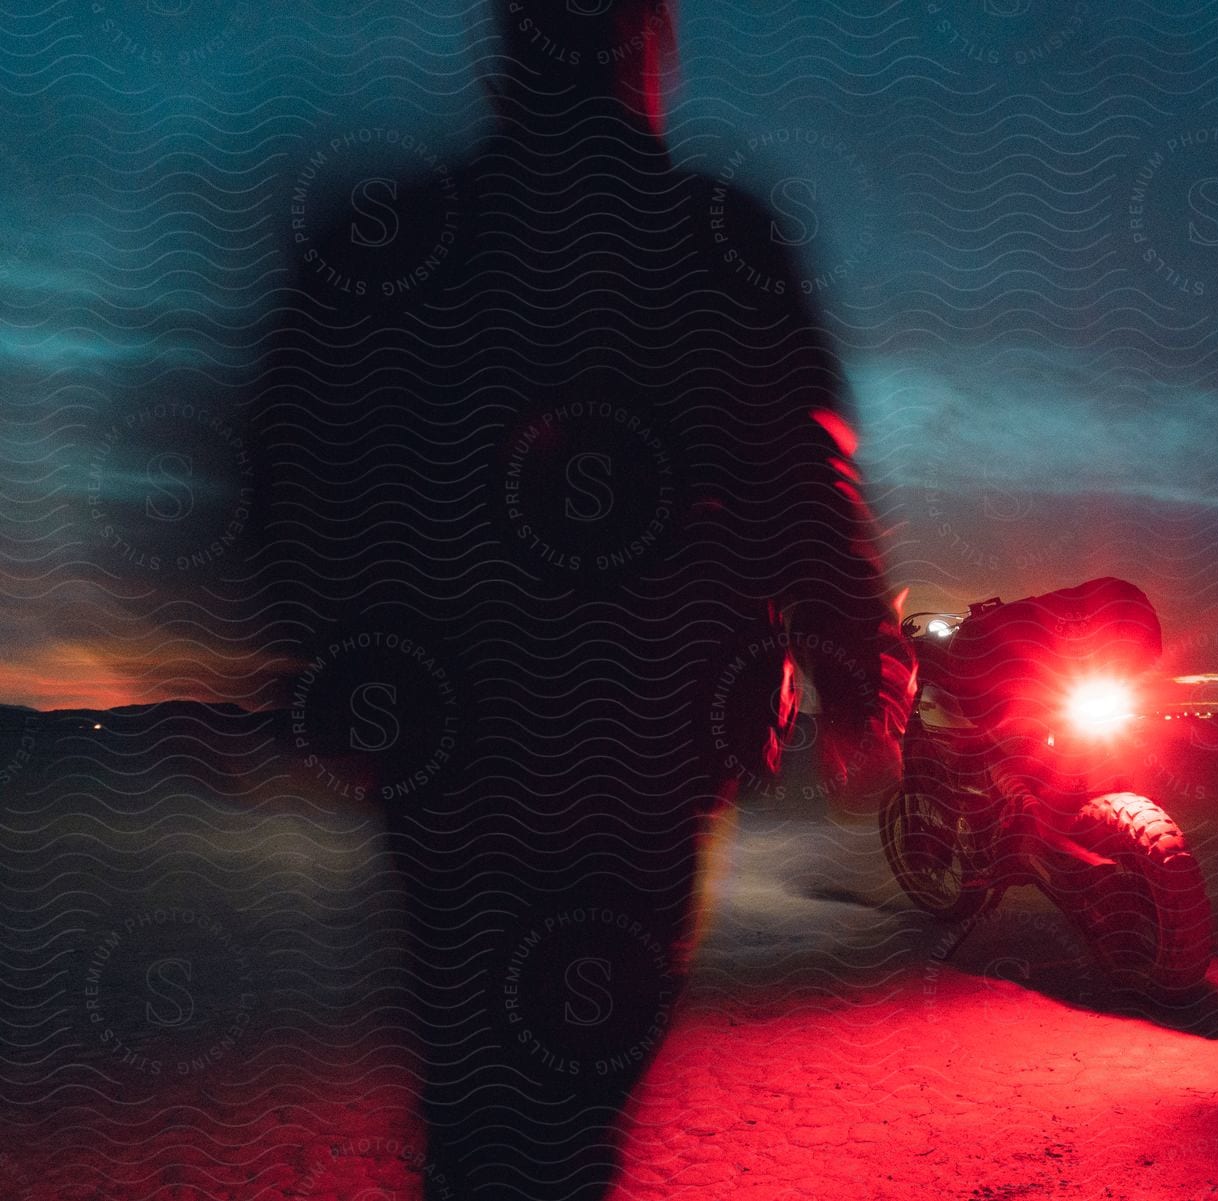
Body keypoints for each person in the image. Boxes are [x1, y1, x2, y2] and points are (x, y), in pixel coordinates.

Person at [241, 1, 913, 1195]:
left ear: (505, 55)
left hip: (463, 737)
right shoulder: (708, 235)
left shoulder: (407, 232)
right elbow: (799, 473)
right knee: (571, 1060)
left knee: (482, 1053)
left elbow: (289, 469)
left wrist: (324, 668)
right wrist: (853, 655)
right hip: (642, 731)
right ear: (645, 54)